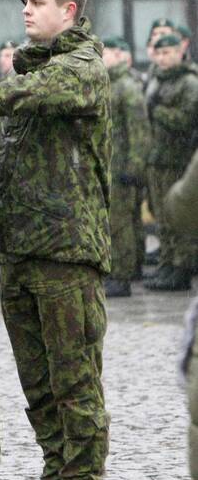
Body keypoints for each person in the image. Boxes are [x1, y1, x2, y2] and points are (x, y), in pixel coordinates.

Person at [0, 0, 110, 480]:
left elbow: (57, 90)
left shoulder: (83, 66)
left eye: (40, 2)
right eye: (25, 2)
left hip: (68, 253)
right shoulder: (24, 76)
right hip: (21, 252)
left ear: (69, 11)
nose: (27, 10)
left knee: (75, 382)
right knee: (40, 385)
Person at [144, 34, 198, 291]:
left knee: (179, 217)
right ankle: (166, 263)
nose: (163, 58)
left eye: (168, 53)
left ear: (179, 53)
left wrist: (159, 111)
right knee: (162, 217)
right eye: (160, 53)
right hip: (157, 157)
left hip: (178, 160)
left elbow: (186, 120)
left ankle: (182, 267)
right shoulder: (156, 80)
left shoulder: (189, 82)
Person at [101, 37, 150, 297]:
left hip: (122, 167)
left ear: (119, 54)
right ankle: (128, 269)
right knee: (123, 222)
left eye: (105, 52)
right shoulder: (112, 84)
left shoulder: (125, 86)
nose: (102, 58)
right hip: (113, 165)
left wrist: (134, 168)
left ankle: (121, 276)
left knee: (120, 224)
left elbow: (139, 131)